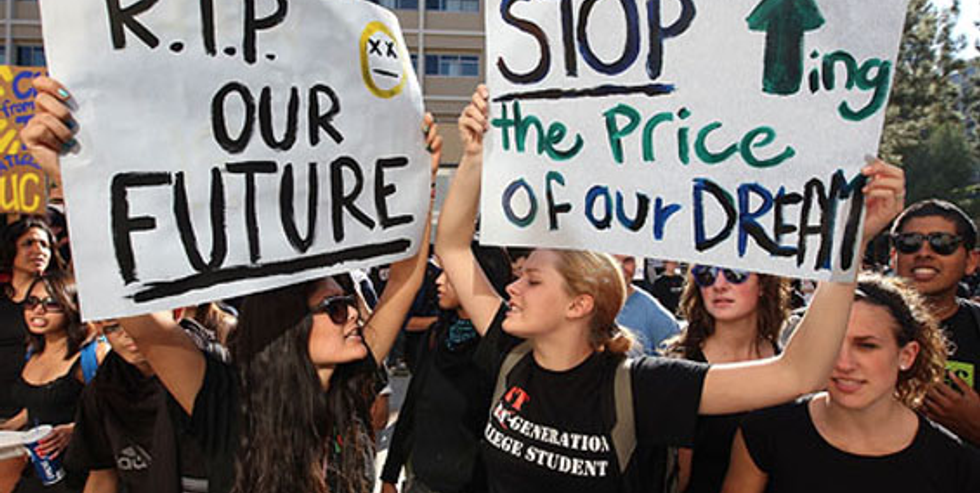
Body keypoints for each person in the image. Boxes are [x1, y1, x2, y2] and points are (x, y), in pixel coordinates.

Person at [434, 85, 905, 493]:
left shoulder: (640, 386)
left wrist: (849, 246)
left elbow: (797, 373)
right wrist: (474, 158)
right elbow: (453, 247)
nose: (512, 287)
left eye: (533, 280)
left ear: (579, 304)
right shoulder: (510, 354)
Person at [23, 75, 443, 493]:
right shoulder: (228, 402)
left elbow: (404, 279)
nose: (353, 314)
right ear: (287, 327)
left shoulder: (347, 386)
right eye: (334, 308)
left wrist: (419, 184)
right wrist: (72, 174)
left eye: (347, 302)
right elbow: (145, 324)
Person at [722, 274, 980, 492]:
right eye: (832, 342)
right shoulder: (765, 433)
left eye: (866, 346)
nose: (844, 363)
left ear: (907, 355)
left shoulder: (953, 461)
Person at [380, 245, 513, 493]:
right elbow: (413, 404)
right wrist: (390, 474)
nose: (439, 281)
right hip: (422, 482)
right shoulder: (436, 335)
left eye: (450, 276)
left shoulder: (504, 350)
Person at [665, 268, 790, 493]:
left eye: (735, 273)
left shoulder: (788, 363)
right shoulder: (680, 368)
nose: (719, 285)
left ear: (763, 283)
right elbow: (676, 480)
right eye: (706, 274)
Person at [64, 319, 215, 493]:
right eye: (115, 326)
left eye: (138, 321)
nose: (129, 333)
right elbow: (102, 475)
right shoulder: (101, 389)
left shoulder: (212, 373)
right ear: (99, 327)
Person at [4, 273, 106, 493]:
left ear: (73, 307)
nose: (38, 310)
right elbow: (38, 404)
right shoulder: (33, 351)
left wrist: (73, 430)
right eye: (31, 302)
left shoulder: (93, 355)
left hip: (84, 473)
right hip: (41, 469)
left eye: (51, 303)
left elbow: (117, 412)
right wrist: (8, 427)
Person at [890, 199, 980, 445]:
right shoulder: (856, 323)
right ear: (894, 256)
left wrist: (974, 423)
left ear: (971, 261)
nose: (924, 253)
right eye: (909, 243)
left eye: (942, 243)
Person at [612, 255, 678, 355]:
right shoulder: (587, 305)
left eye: (627, 261)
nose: (620, 268)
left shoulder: (659, 318)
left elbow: (675, 358)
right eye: (612, 260)